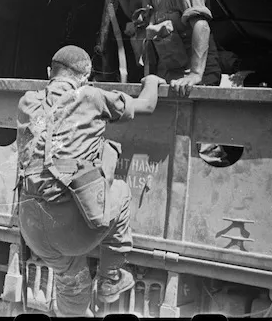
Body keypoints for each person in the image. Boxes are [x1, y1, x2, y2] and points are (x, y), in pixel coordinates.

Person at [16, 45, 164, 317]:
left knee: (71, 277)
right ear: (85, 77)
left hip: (31, 225)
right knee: (119, 190)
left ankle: (72, 312)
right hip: (72, 229)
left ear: (49, 73)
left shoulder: (27, 101)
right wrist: (152, 80)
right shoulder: (92, 96)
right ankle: (110, 278)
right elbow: (148, 105)